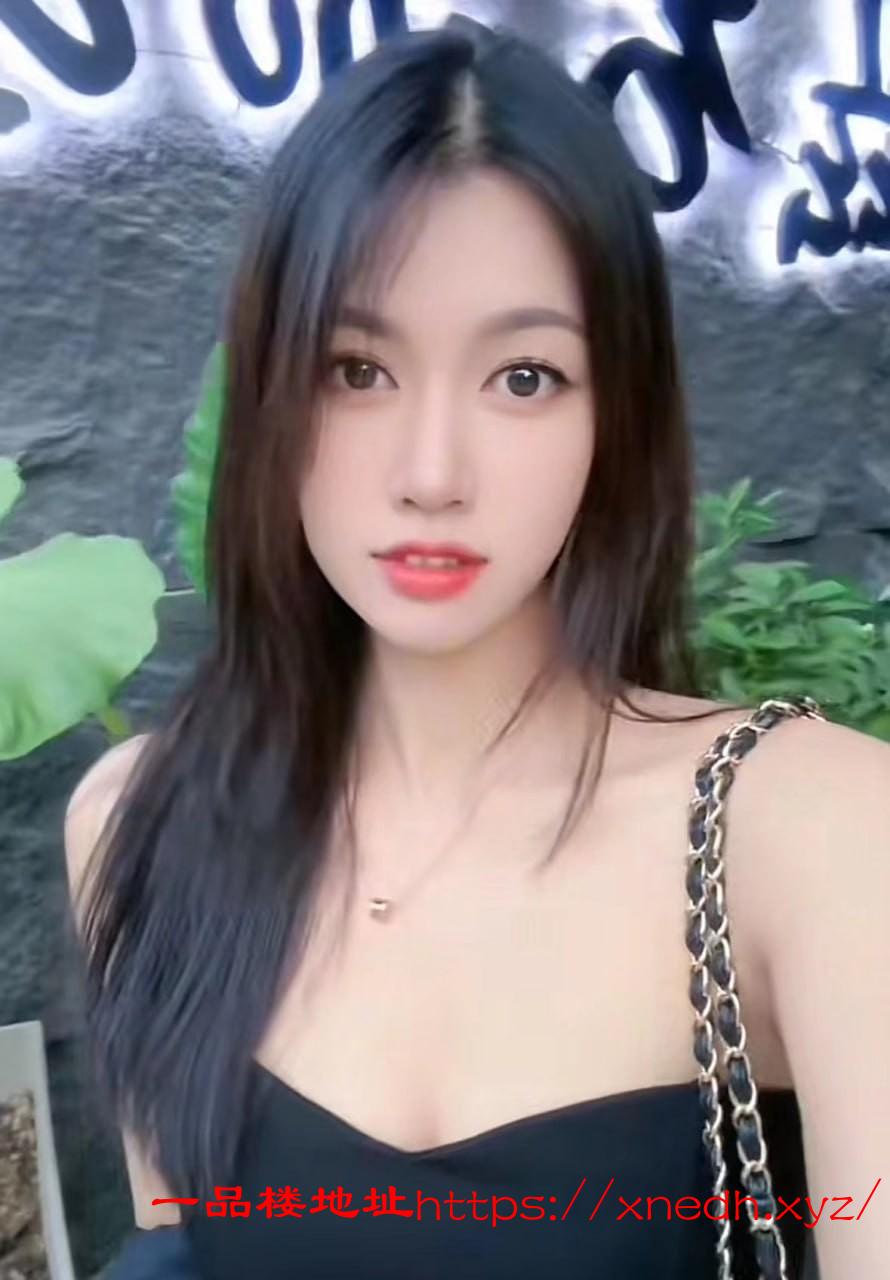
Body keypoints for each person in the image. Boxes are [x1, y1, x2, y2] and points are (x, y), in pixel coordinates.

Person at [63, 15, 888, 1280]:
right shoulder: (141, 826)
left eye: (523, 377)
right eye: (355, 369)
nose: (431, 473)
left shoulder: (810, 831)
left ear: (615, 414)